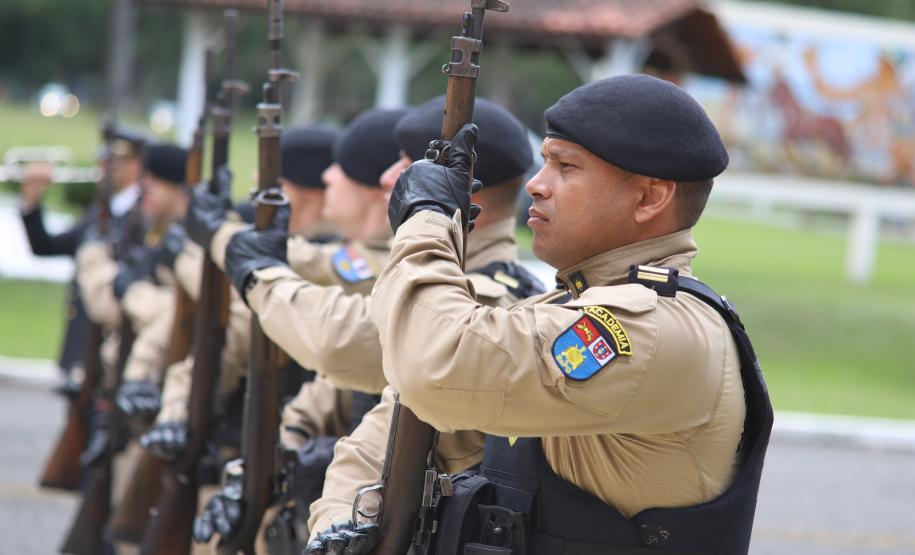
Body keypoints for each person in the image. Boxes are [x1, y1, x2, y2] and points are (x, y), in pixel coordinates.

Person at [308, 75, 773, 554]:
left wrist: (427, 220)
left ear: (650, 197)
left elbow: (435, 367)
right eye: (544, 160)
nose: (537, 184)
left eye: (565, 166)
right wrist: (339, 526)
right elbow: (393, 429)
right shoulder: (563, 309)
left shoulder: (653, 329)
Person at [188, 110, 407, 549]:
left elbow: (329, 327)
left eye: (340, 169)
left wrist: (224, 242)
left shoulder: (376, 267)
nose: (329, 174)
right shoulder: (360, 260)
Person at [19, 129, 145, 391]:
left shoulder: (140, 218)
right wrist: (32, 201)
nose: (104, 169)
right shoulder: (100, 212)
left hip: (109, 351)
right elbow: (46, 246)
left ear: (136, 165)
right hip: (82, 348)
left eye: (114, 163)